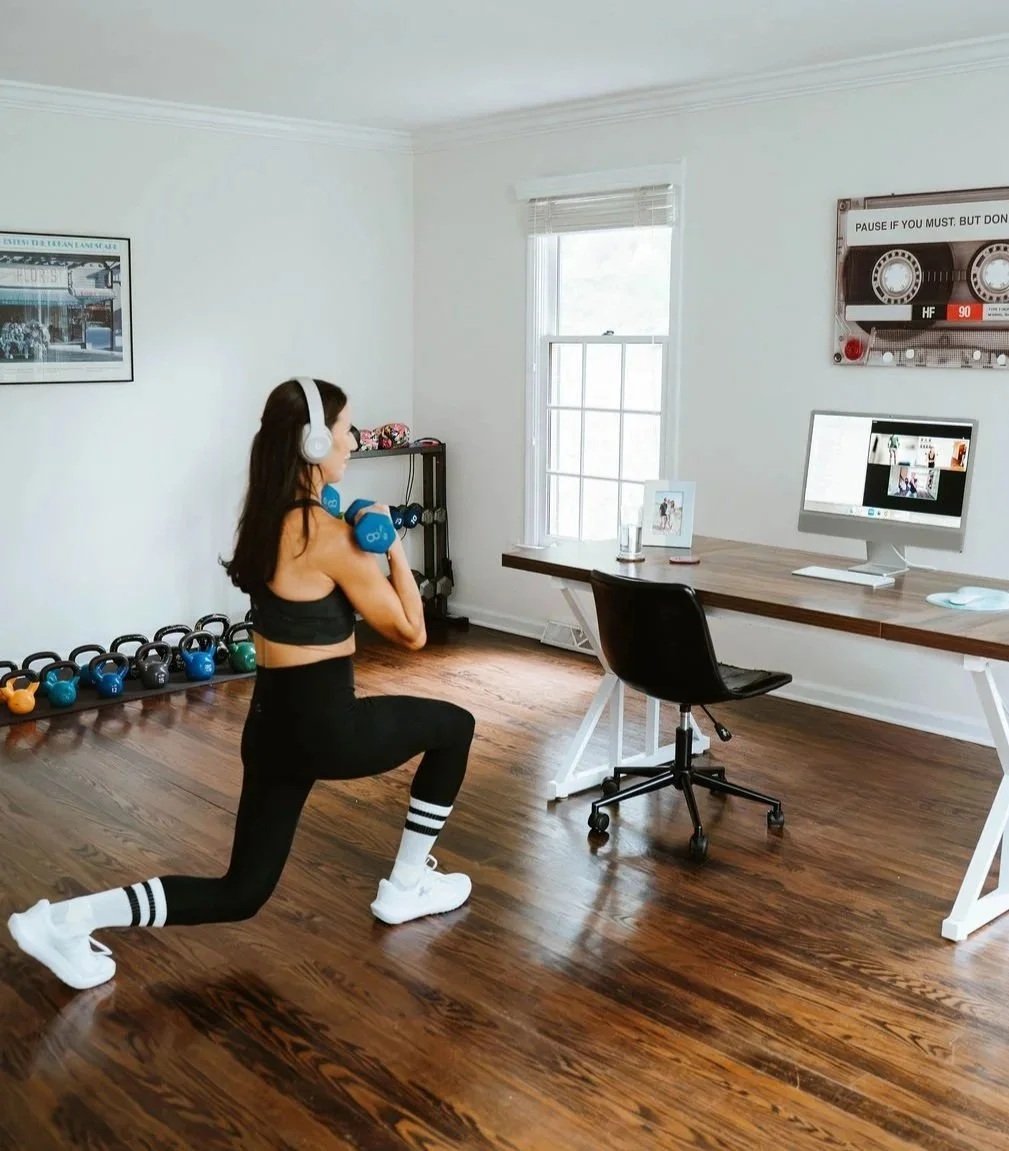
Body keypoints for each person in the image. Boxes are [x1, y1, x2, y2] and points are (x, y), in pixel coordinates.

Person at [7, 377, 476, 991]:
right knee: (455, 727)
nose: (353, 441)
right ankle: (408, 885)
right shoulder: (330, 538)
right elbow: (412, 632)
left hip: (270, 728)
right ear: (312, 442)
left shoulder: (265, 519)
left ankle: (66, 919)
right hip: (327, 730)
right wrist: (390, 546)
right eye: (344, 430)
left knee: (241, 891)